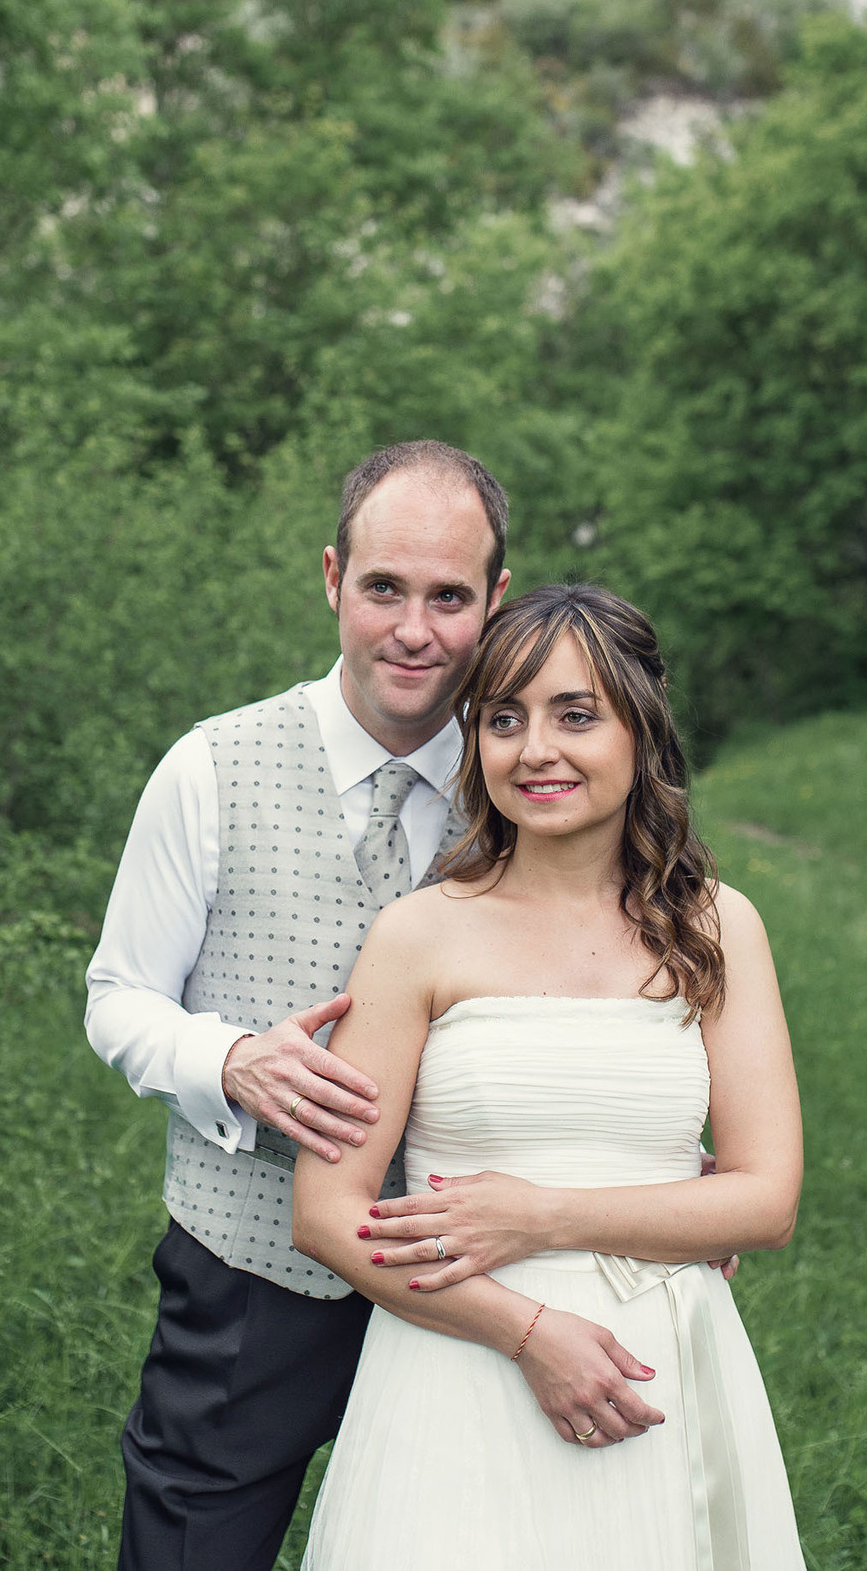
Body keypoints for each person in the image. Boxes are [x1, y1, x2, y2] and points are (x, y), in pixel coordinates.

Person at [292, 583, 808, 1570]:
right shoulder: (418, 934)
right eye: (503, 718)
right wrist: (527, 1330)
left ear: (640, 728)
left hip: (655, 1363)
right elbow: (326, 1211)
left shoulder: (715, 928)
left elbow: (765, 1199)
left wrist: (542, 1217)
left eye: (576, 714)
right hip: (454, 1361)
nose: (536, 750)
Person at [86, 440, 513, 1571]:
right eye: (384, 588)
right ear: (333, 578)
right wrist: (228, 1061)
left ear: (495, 601)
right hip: (248, 1269)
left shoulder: (530, 789)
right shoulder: (209, 767)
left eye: (448, 596)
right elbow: (118, 998)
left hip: (472, 1267)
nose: (414, 630)